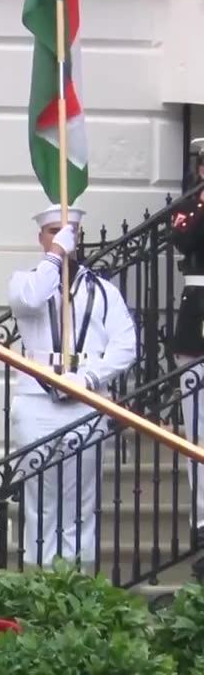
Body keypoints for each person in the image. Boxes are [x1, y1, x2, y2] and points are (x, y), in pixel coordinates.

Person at [8, 204, 136, 565]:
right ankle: (41, 578)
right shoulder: (26, 281)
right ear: (41, 238)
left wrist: (89, 378)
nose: (60, 237)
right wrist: (55, 257)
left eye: (67, 232)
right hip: (37, 400)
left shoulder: (103, 292)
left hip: (85, 398)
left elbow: (126, 346)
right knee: (40, 499)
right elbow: (30, 299)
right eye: (52, 231)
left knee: (80, 498)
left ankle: (77, 579)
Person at [167, 153, 204, 548]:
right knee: (198, 430)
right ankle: (203, 519)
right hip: (198, 320)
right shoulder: (192, 206)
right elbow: (184, 237)